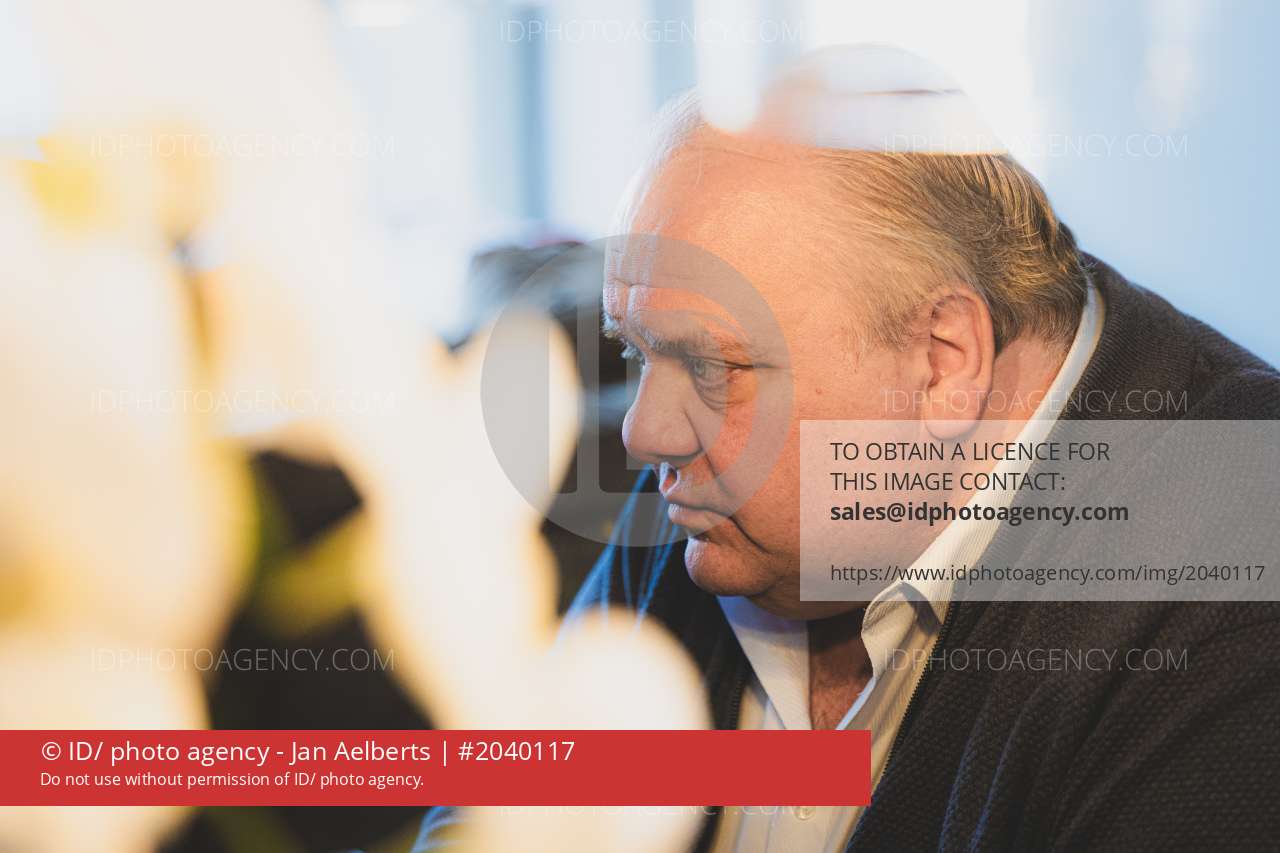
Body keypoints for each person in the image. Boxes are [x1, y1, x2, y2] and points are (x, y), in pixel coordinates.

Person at [418, 45, 1280, 852]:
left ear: (944, 363)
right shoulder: (719, 489)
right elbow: (507, 811)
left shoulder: (1237, 577)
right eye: (637, 352)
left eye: (708, 366)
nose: (643, 434)